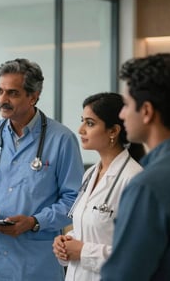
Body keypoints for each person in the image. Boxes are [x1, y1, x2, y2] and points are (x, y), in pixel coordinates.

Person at [0, 58, 85, 281]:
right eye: (0, 91)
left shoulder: (62, 140)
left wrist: (34, 221)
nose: (3, 99)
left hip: (37, 264)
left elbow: (74, 199)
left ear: (33, 96)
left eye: (12, 93)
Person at [100, 53, 170, 280]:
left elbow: (124, 275)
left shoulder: (150, 186)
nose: (121, 114)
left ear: (147, 111)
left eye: (127, 104)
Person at [52, 92, 144, 281]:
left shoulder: (134, 179)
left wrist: (83, 252)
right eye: (82, 121)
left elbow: (136, 253)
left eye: (90, 123)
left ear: (113, 131)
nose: (80, 129)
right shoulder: (90, 174)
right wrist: (66, 244)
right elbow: (90, 230)